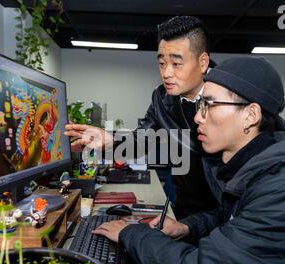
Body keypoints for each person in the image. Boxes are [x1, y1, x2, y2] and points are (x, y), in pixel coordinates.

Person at [93, 57, 285, 264]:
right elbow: (236, 219)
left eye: (209, 105)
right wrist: (187, 227)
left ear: (250, 115)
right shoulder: (258, 164)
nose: (197, 117)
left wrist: (132, 234)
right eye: (199, 105)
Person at [64, 16, 218, 219]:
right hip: (188, 207)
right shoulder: (162, 98)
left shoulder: (233, 96)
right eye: (162, 63)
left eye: (176, 63)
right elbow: (141, 140)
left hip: (226, 206)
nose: (166, 73)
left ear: (203, 62)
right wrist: (108, 140)